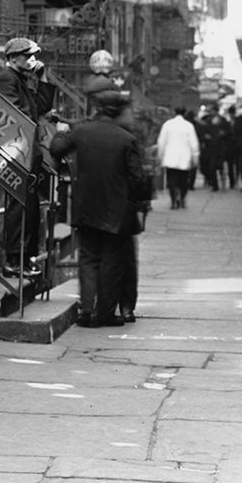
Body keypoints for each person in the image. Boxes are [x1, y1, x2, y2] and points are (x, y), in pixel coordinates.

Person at [50, 91, 151, 327]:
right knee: (110, 261)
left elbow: (56, 148)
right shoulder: (127, 139)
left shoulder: (82, 132)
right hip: (116, 211)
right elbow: (138, 180)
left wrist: (62, 132)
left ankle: (86, 312)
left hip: (86, 207)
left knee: (87, 258)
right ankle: (106, 313)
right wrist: (132, 201)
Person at [0, 37, 57, 278]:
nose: (33, 60)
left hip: (28, 154)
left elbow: (40, 107)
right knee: (19, 208)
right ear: (12, 58)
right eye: (27, 56)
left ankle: (24, 258)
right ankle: (13, 259)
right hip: (18, 153)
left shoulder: (20, 79)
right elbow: (15, 115)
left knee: (28, 210)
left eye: (33, 55)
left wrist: (41, 78)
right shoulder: (6, 79)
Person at [155, 106, 200, 209]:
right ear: (184, 113)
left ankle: (173, 200)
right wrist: (195, 157)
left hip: (170, 156)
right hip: (185, 157)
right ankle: (182, 198)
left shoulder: (167, 124)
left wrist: (160, 155)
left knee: (171, 180)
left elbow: (161, 141)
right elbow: (194, 144)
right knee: (184, 180)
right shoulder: (189, 126)